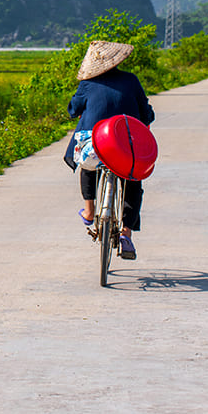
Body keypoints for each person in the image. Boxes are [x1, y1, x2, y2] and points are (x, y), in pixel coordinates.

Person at [63, 40, 155, 259]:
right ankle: (126, 234)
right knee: (132, 180)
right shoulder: (131, 81)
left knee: (87, 165)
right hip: (124, 145)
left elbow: (73, 108)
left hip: (96, 145)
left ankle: (89, 210)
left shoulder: (87, 83)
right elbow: (145, 111)